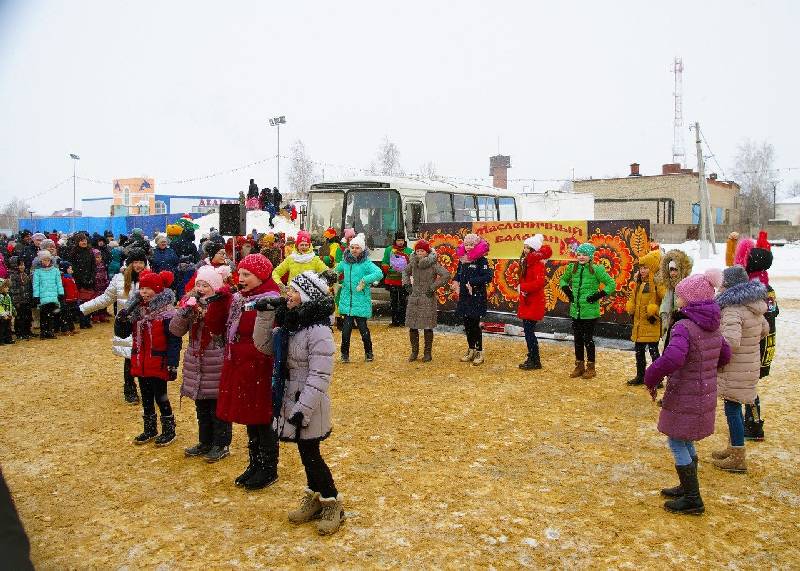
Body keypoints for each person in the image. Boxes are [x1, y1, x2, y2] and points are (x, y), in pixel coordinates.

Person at [254, 270, 345, 535]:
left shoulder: (318, 331)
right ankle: (315, 497)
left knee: (311, 454)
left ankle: (332, 502)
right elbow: (264, 346)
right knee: (306, 454)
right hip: (290, 398)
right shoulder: (291, 324)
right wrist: (265, 315)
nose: (288, 295)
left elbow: (320, 375)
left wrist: (302, 409)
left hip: (308, 404)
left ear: (306, 296)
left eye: (294, 291)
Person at [644, 268, 731, 515]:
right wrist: (704, 367)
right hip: (703, 392)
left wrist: (651, 375)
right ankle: (687, 487)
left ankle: (693, 498)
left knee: (676, 439)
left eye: (681, 296)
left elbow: (673, 358)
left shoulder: (684, 326)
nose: (678, 299)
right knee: (686, 437)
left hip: (685, 391)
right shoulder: (711, 325)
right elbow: (725, 355)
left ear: (690, 299)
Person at [216, 254, 282, 490]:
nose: (241, 279)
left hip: (260, 366)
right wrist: (218, 302)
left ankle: (268, 467)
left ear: (261, 276)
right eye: (240, 274)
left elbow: (269, 338)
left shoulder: (270, 300)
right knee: (249, 416)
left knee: (262, 417)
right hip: (240, 365)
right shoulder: (239, 299)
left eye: (247, 275)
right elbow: (218, 327)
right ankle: (254, 463)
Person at [170, 265, 233, 463]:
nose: (201, 289)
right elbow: (175, 331)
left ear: (215, 288)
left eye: (206, 285)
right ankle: (205, 441)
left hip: (216, 360)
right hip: (197, 361)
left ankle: (221, 444)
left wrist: (209, 313)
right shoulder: (191, 306)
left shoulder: (223, 305)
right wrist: (184, 311)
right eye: (199, 284)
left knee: (217, 407)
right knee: (202, 406)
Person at [711, 266, 769, 473]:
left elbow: (731, 342)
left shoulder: (732, 309)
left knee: (732, 409)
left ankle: (738, 456)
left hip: (735, 368)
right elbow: (764, 329)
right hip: (749, 365)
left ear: (729, 286)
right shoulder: (754, 305)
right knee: (734, 407)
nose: (719, 289)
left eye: (722, 285)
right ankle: (733, 448)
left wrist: (714, 347)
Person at [114, 270, 182, 447]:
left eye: (148, 289)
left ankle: (169, 429)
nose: (144, 292)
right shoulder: (136, 310)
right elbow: (123, 334)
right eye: (142, 288)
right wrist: (121, 320)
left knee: (161, 396)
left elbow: (174, 340)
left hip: (158, 361)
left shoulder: (167, 313)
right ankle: (150, 428)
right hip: (140, 360)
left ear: (158, 290)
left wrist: (173, 363)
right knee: (145, 396)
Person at [80, 247, 148, 404]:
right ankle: (129, 389)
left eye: (141, 262)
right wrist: (84, 308)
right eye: (135, 262)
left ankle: (147, 390)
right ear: (129, 263)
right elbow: (105, 298)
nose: (138, 265)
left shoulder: (150, 278)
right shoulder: (119, 279)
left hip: (146, 325)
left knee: (146, 359)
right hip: (127, 325)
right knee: (129, 358)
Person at [739, 231, 778, 441]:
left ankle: (754, 425)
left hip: (757, 344)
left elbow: (763, 319)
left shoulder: (756, 289)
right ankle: (751, 421)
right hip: (764, 342)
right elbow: (773, 313)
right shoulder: (766, 286)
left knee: (749, 386)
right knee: (749, 384)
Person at [559, 242, 616, 379]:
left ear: (590, 256)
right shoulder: (572, 268)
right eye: (579, 254)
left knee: (588, 340)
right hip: (576, 311)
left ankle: (591, 367)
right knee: (577, 339)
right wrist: (568, 291)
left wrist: (598, 295)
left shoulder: (596, 270)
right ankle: (579, 366)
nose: (581, 257)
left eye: (584, 254)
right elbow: (563, 280)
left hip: (590, 312)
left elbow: (611, 284)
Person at [335, 233, 383, 363]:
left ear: (362, 249)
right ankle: (344, 354)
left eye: (357, 248)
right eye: (352, 247)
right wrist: (334, 277)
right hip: (347, 301)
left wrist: (365, 280)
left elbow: (379, 273)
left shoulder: (366, 263)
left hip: (361, 301)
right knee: (345, 332)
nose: (354, 250)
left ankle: (369, 353)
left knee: (363, 330)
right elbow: (336, 271)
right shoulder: (345, 262)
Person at [402, 239, 450, 362]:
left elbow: (446, 275)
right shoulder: (413, 263)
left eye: (422, 251)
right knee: (412, 326)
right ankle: (414, 352)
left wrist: (433, 287)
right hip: (414, 297)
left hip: (428, 297)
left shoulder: (433, 264)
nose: (419, 253)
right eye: (418, 251)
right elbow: (405, 272)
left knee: (428, 327)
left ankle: (427, 353)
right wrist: (407, 284)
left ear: (427, 252)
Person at [451, 234, 493, 366]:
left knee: (475, 325)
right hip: (464, 296)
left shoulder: (481, 260)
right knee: (467, 324)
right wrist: (455, 281)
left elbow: (488, 277)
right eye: (466, 245)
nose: (468, 247)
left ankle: (479, 351)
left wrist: (473, 282)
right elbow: (458, 274)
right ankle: (471, 349)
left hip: (476, 297)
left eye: (471, 245)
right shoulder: (462, 259)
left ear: (476, 246)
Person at [626, 250, 664, 385]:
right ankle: (640, 376)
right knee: (639, 352)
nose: (642, 270)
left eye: (646, 268)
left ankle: (658, 379)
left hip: (651, 323)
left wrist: (655, 311)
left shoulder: (658, 283)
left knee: (654, 353)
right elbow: (633, 299)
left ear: (652, 267)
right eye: (641, 268)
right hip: (639, 324)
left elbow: (664, 299)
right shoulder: (638, 283)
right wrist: (631, 306)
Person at [516, 234, 552, 370]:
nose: (525, 250)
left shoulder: (537, 263)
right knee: (528, 332)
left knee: (529, 332)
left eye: (528, 248)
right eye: (524, 247)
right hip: (528, 301)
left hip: (534, 302)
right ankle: (532, 357)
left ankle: (535, 359)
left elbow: (539, 282)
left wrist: (523, 287)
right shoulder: (527, 262)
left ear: (534, 249)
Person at [657, 249, 693, 349]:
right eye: (671, 270)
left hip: (682, 324)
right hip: (670, 324)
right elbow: (666, 305)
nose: (672, 273)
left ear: (681, 270)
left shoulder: (688, 285)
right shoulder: (670, 287)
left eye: (675, 270)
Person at [382, 233, 413, 327]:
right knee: (394, 301)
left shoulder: (409, 251)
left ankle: (403, 321)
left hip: (404, 280)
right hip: (392, 279)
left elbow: (412, 264)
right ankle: (394, 321)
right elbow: (385, 262)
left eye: (402, 240)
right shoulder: (389, 250)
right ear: (395, 240)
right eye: (398, 240)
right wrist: (387, 268)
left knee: (403, 301)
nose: (400, 242)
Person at [66, 233, 96, 329]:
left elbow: (93, 266)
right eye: (82, 240)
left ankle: (87, 320)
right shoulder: (74, 253)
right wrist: (82, 279)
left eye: (85, 240)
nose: (84, 242)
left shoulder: (90, 252)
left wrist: (91, 278)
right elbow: (74, 268)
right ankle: (82, 321)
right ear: (77, 242)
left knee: (90, 301)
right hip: (79, 281)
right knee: (82, 302)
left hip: (90, 280)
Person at [32, 250, 63, 340]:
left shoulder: (55, 270)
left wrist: (61, 293)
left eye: (48, 260)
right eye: (44, 260)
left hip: (53, 297)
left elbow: (59, 283)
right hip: (43, 297)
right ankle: (43, 332)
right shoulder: (37, 271)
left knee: (51, 315)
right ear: (41, 260)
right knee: (43, 315)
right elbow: (36, 285)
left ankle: (49, 331)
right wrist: (36, 296)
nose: (46, 262)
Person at [7, 256, 32, 340]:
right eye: (20, 265)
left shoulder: (25, 275)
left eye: (23, 265)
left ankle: (27, 331)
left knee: (27, 316)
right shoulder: (12, 276)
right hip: (19, 301)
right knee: (20, 317)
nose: (22, 266)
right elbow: (13, 290)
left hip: (26, 299)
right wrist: (16, 302)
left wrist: (29, 298)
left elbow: (28, 287)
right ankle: (20, 333)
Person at [58, 261, 78, 335]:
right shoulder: (63, 278)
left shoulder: (70, 277)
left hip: (71, 299)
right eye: (69, 268)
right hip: (66, 299)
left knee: (70, 314)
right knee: (65, 315)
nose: (71, 270)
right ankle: (64, 329)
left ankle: (71, 328)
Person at [91, 249, 110, 323]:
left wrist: (107, 283)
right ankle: (95, 316)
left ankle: (102, 315)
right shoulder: (91, 266)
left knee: (103, 301)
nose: (98, 259)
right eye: (96, 257)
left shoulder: (103, 265)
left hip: (103, 286)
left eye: (99, 257)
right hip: (95, 287)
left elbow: (105, 275)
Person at [0, 278, 14, 344]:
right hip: (2, 316)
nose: (8, 288)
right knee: (1, 328)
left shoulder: (8, 296)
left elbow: (10, 305)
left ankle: (8, 339)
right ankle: (1, 340)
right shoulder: (0, 297)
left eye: (8, 287)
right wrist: (3, 314)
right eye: (6, 287)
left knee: (8, 328)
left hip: (8, 315)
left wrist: (12, 312)